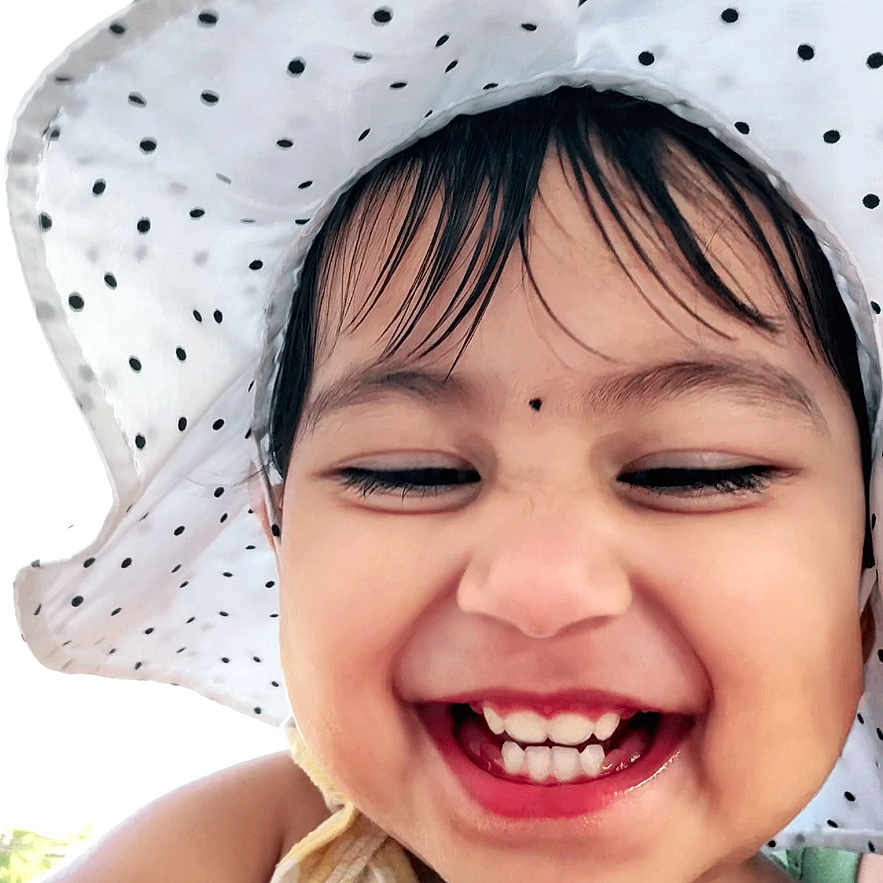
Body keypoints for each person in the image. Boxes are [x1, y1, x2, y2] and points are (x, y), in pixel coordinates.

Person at [7, 1, 883, 881]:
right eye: (411, 473)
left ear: (865, 571)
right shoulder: (241, 848)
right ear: (280, 537)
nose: (538, 587)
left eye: (693, 473)